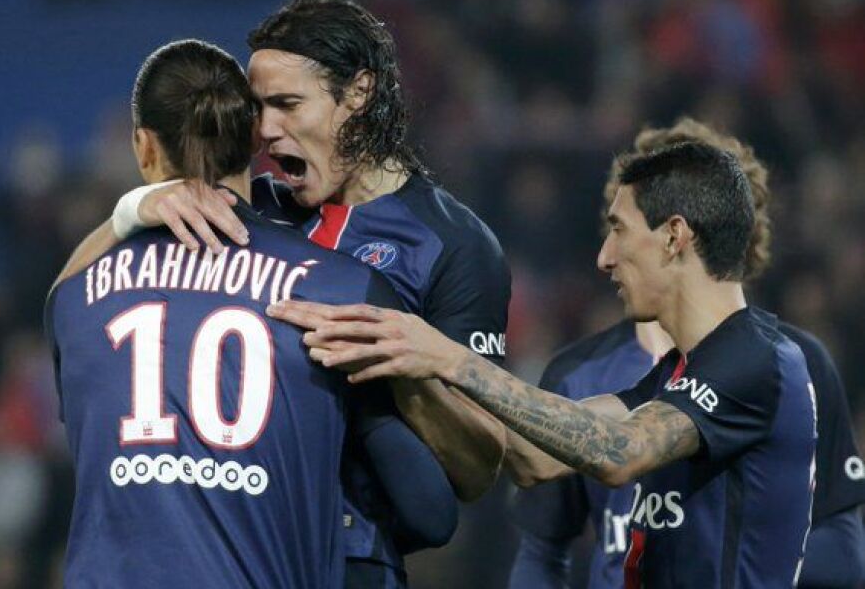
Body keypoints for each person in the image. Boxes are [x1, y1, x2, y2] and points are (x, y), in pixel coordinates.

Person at [52, 0, 525, 588]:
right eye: (257, 108)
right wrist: (133, 208)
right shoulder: (241, 212)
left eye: (286, 104)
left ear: (358, 92)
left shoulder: (454, 246)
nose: (264, 130)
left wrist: (402, 368)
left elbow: (476, 465)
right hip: (234, 536)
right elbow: (70, 298)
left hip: (354, 558)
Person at [269, 141, 818, 588]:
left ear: (674, 235)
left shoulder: (760, 358)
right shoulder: (679, 373)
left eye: (619, 229)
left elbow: (619, 452)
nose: (604, 257)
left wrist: (451, 357)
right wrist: (411, 366)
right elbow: (534, 458)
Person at [509, 118, 865, 588]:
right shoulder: (585, 373)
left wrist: (742, 551)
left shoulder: (789, 362)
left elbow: (843, 547)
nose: (608, 254)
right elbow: (540, 546)